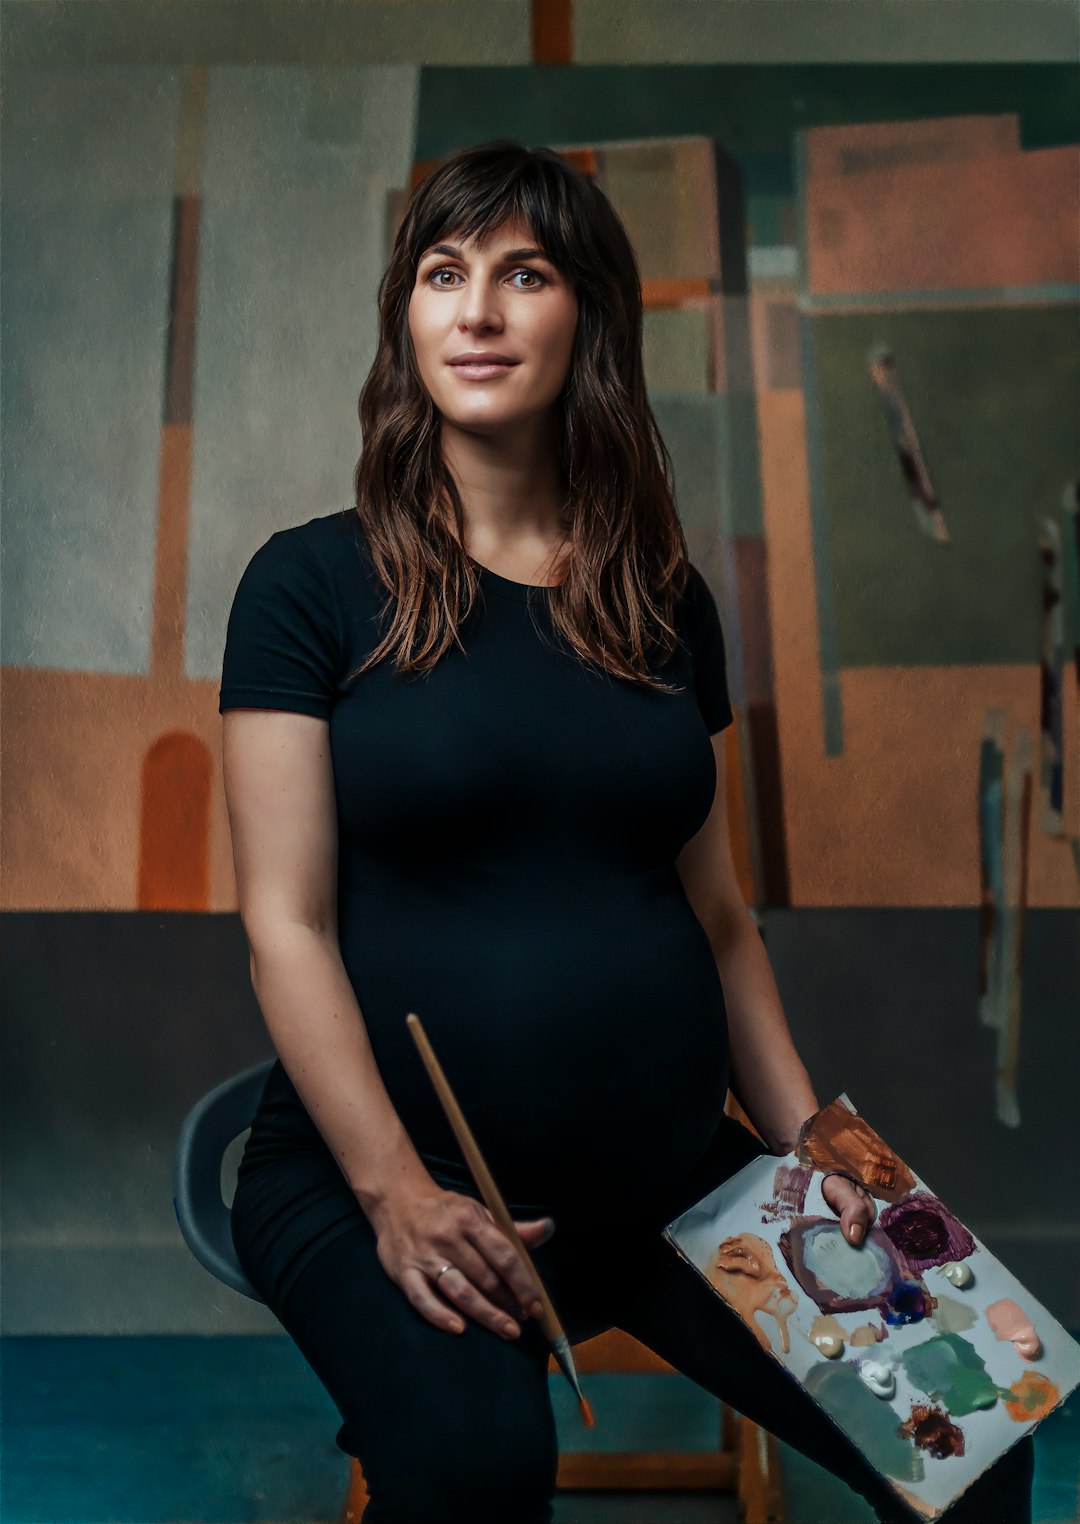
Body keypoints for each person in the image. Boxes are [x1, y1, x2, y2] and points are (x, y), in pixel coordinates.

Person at [219, 141, 1033, 1524]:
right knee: (481, 1471)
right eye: (442, 273)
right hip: (389, 1185)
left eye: (521, 273)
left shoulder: (661, 598)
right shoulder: (307, 587)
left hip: (668, 1176)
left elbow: (717, 917)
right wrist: (395, 1190)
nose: (474, 311)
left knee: (980, 1420)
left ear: (587, 312)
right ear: (406, 317)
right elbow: (282, 922)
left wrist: (822, 1139)